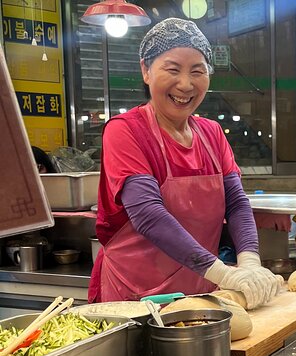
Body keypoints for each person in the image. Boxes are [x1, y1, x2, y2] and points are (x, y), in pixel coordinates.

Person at [89, 18, 280, 307]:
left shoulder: (212, 134)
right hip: (136, 297)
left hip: (199, 293)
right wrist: (223, 273)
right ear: (146, 71)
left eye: (198, 71)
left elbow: (237, 203)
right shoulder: (125, 130)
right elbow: (147, 214)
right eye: (173, 69)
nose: (186, 84)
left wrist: (250, 260)